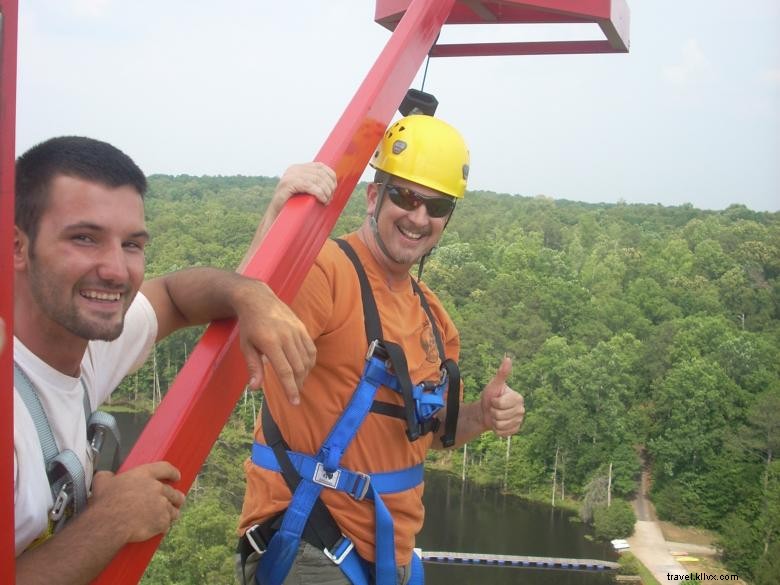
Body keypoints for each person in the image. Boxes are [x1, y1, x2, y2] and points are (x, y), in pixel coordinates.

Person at [11, 135, 336, 585]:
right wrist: (112, 520)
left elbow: (173, 296)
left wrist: (247, 293)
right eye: (84, 238)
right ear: (17, 247)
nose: (116, 270)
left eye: (131, 244)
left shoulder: (86, 345)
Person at [236, 114, 526, 585]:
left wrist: (485, 416)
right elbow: (240, 334)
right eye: (405, 196)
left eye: (436, 206)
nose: (418, 217)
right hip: (309, 541)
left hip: (392, 557)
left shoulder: (434, 317)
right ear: (374, 196)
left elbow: (432, 434)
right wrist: (275, 219)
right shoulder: (327, 272)